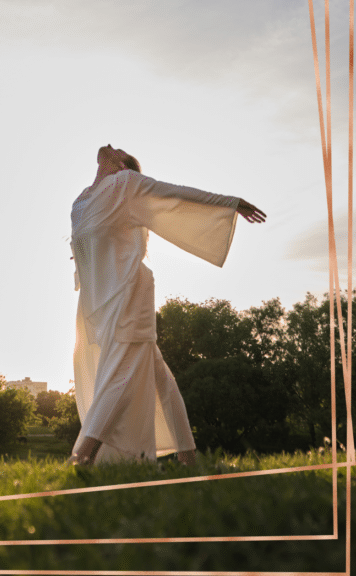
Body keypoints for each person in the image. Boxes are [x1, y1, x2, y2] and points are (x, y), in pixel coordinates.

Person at [68, 144, 266, 467]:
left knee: (122, 378)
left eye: (120, 150)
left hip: (129, 300)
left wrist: (230, 204)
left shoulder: (126, 184)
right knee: (162, 380)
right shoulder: (80, 201)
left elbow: (177, 194)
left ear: (121, 164)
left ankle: (83, 457)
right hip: (103, 308)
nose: (112, 146)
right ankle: (189, 459)